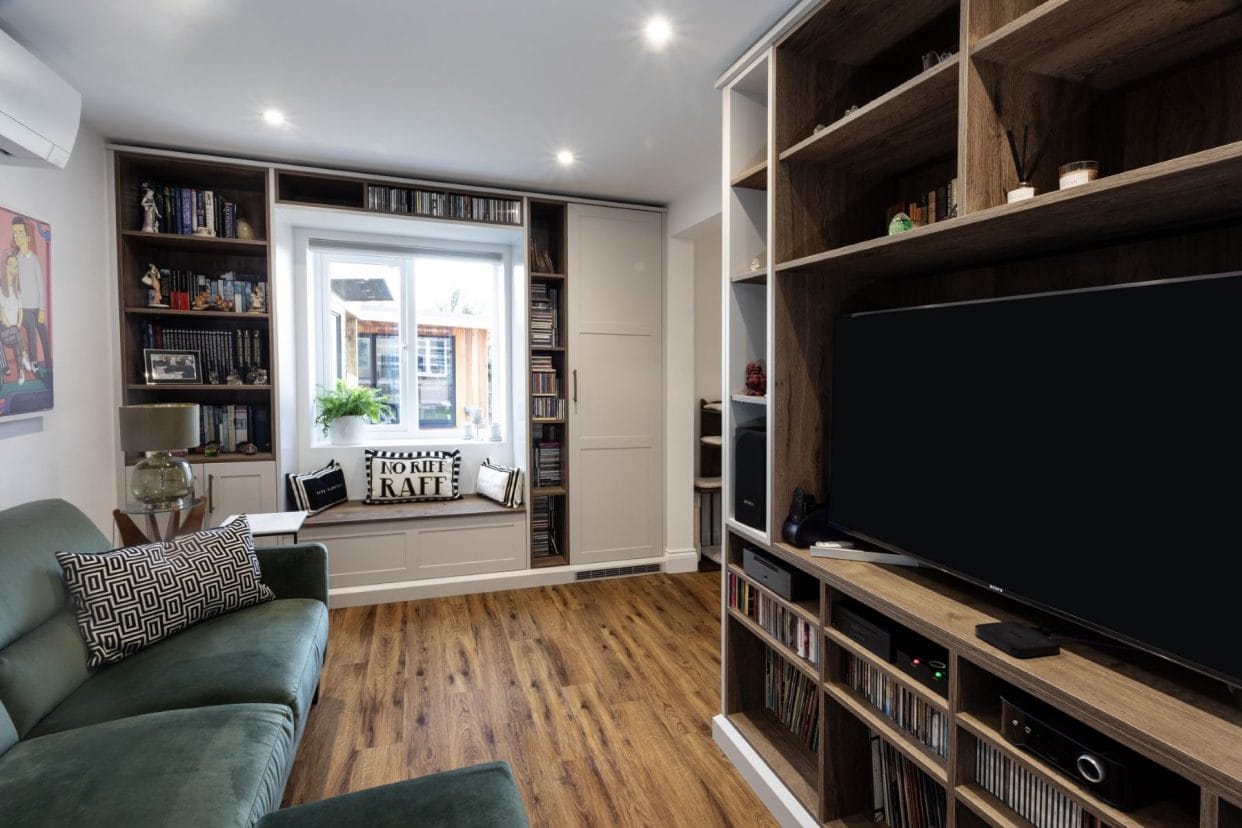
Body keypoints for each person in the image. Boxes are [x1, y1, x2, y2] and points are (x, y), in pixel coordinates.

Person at [11, 217, 49, 370]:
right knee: (31, 328)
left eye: (20, 233)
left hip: (36, 307)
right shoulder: (15, 260)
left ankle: (49, 362)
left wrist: (41, 309)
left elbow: (41, 286)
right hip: (24, 308)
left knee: (43, 333)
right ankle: (34, 362)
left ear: (27, 237)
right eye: (15, 233)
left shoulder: (33, 259)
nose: (17, 236)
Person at [0, 251, 33, 385]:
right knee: (16, 332)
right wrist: (13, 326)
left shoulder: (16, 291)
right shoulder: (2, 290)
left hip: (15, 332)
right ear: (6, 267)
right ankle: (24, 358)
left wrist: (18, 324)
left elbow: (20, 310)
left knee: (18, 334)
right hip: (5, 331)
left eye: (15, 265)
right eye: (11, 264)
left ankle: (21, 372)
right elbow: (1, 314)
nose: (13, 268)